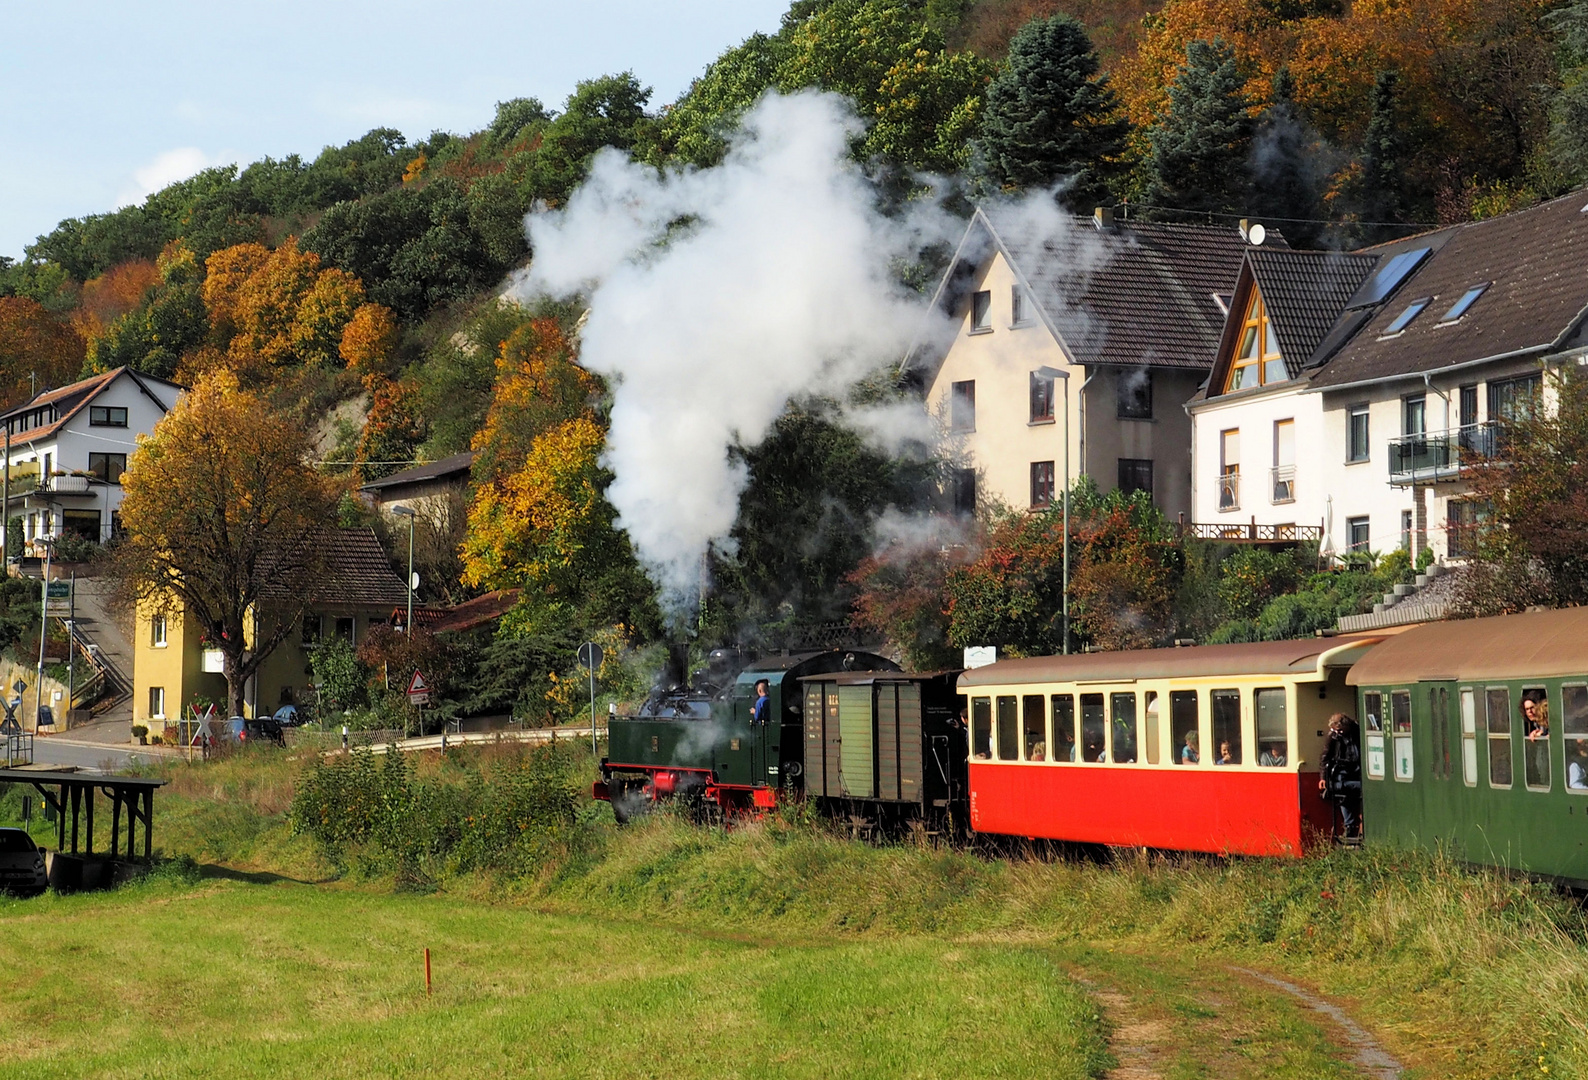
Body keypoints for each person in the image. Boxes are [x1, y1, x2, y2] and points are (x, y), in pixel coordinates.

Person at [1319, 713, 1363, 842]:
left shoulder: (1357, 731)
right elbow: (1324, 757)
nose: (1339, 733)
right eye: (1336, 730)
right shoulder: (1333, 737)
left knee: (1358, 789)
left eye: (1340, 730)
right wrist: (1323, 777)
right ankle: (1349, 825)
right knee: (1341, 791)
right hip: (1342, 769)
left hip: (1358, 767)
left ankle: (1360, 823)